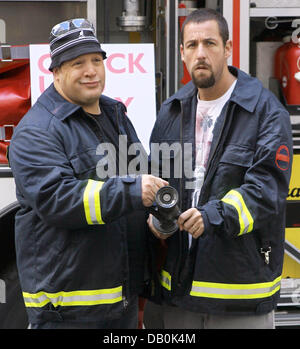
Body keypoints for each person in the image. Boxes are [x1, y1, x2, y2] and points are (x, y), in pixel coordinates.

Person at [8, 18, 167, 329]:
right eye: (77, 63)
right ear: (55, 72)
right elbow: (58, 200)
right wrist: (135, 191)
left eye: (96, 60)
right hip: (69, 313)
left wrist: (156, 217)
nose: (91, 70)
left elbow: (139, 176)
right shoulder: (36, 132)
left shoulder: (115, 115)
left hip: (121, 302)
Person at [147, 8, 293, 329]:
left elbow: (266, 192)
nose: (201, 54)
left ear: (228, 49)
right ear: (182, 52)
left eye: (210, 44)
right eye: (193, 45)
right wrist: (157, 219)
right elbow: (159, 184)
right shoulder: (171, 112)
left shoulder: (266, 112)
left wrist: (212, 216)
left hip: (239, 297)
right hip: (179, 295)